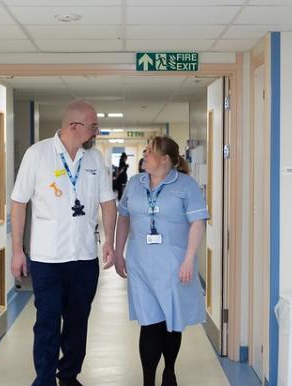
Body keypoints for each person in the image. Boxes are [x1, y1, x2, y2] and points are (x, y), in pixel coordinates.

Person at [10, 100, 117, 386]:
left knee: (77, 322)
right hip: (47, 259)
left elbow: (108, 203)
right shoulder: (38, 154)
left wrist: (111, 242)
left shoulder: (94, 160)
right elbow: (18, 203)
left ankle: (68, 376)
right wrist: (17, 250)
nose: (97, 131)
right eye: (93, 126)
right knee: (47, 322)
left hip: (84, 257)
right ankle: (44, 380)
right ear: (74, 126)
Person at [113, 135, 208, 386]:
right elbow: (123, 218)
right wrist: (118, 252)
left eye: (150, 152)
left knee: (171, 321)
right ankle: (148, 381)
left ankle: (169, 369)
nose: (144, 155)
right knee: (149, 323)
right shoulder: (135, 183)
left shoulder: (186, 185)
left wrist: (189, 259)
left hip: (174, 264)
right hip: (140, 263)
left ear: (166, 159)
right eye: (144, 151)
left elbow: (198, 222)